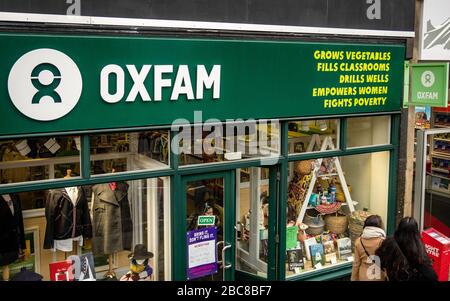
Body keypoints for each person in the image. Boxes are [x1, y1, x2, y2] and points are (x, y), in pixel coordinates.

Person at [375, 217, 438, 281]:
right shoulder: (417, 247)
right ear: (416, 232)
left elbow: (378, 259)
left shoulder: (389, 243)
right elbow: (431, 275)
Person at [351, 215, 386, 281]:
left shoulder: (359, 241)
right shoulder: (383, 242)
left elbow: (356, 263)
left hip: (364, 276)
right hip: (379, 276)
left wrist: (353, 278)